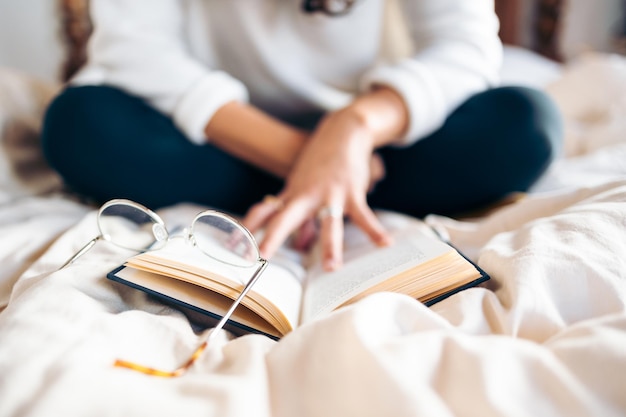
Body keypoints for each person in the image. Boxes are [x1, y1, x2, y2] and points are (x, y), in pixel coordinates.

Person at [42, 0, 562, 271]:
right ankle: (331, 189)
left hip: (367, 136)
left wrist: (352, 128)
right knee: (80, 123)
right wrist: (309, 158)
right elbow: (133, 48)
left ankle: (310, 187)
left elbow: (465, 47)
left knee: (526, 122)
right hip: (225, 138)